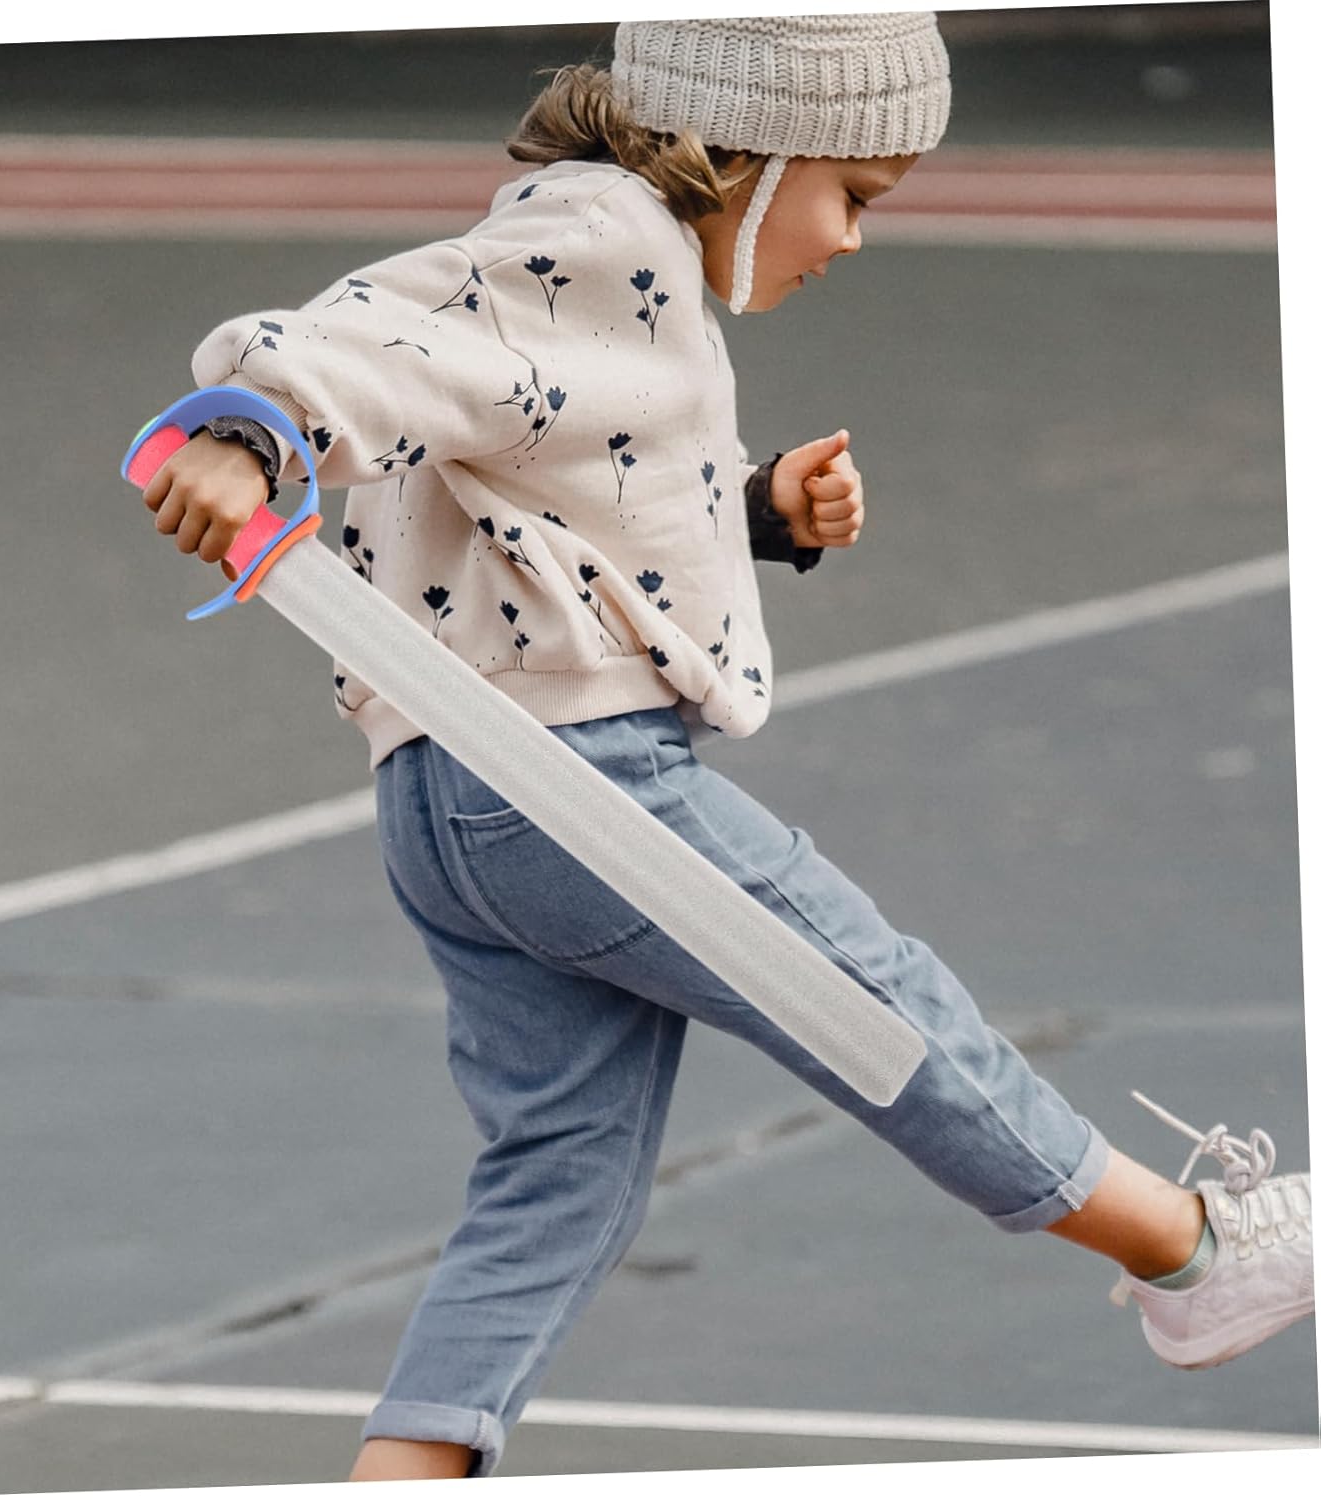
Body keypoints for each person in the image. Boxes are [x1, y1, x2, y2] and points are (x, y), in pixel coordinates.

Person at [137, 13, 1313, 1482]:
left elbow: (549, 473)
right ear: (748, 158)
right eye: (852, 195)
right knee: (871, 1002)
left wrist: (754, 512)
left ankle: (406, 1470)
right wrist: (248, 427)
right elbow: (374, 333)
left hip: (447, 801)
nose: (854, 239)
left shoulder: (597, 267)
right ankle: (1191, 1253)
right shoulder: (599, 238)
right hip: (572, 788)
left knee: (560, 1175)